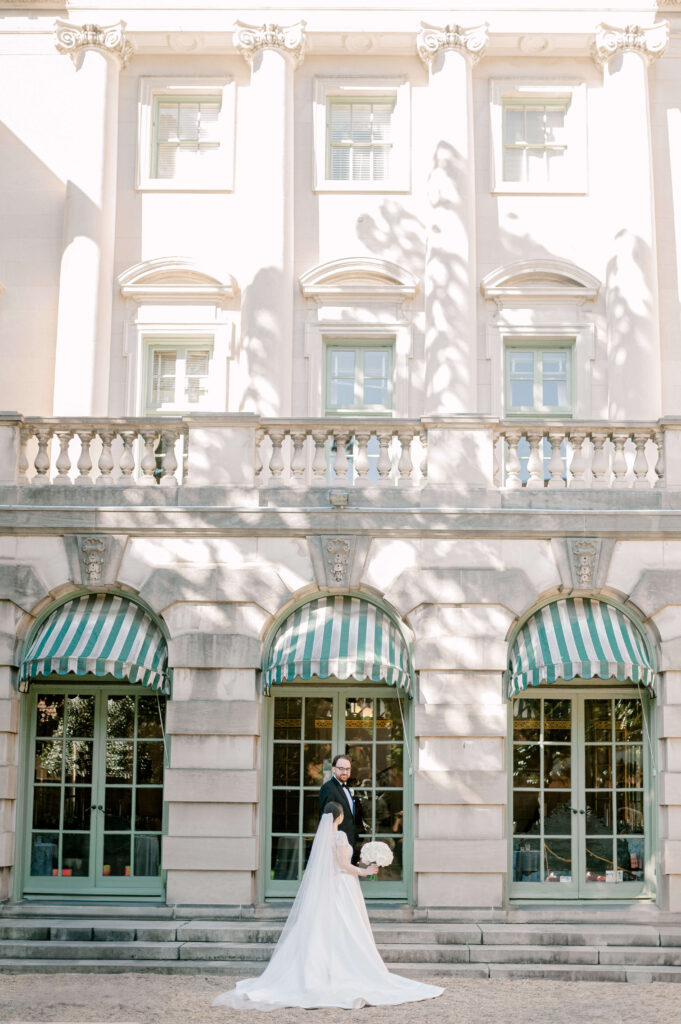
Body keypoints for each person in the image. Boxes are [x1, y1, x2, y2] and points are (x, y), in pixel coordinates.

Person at [211, 803, 443, 1011]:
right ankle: (343, 968)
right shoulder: (339, 837)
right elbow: (343, 865)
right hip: (342, 885)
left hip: (332, 885)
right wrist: (364, 871)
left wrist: (363, 863)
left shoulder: (324, 838)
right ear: (339, 816)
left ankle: (324, 969)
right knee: (346, 926)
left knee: (327, 927)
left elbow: (337, 863)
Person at [318, 753, 364, 864]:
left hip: (349, 843)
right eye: (341, 768)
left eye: (348, 769)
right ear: (334, 769)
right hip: (336, 845)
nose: (345, 772)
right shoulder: (328, 788)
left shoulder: (347, 788)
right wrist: (333, 844)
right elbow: (327, 819)